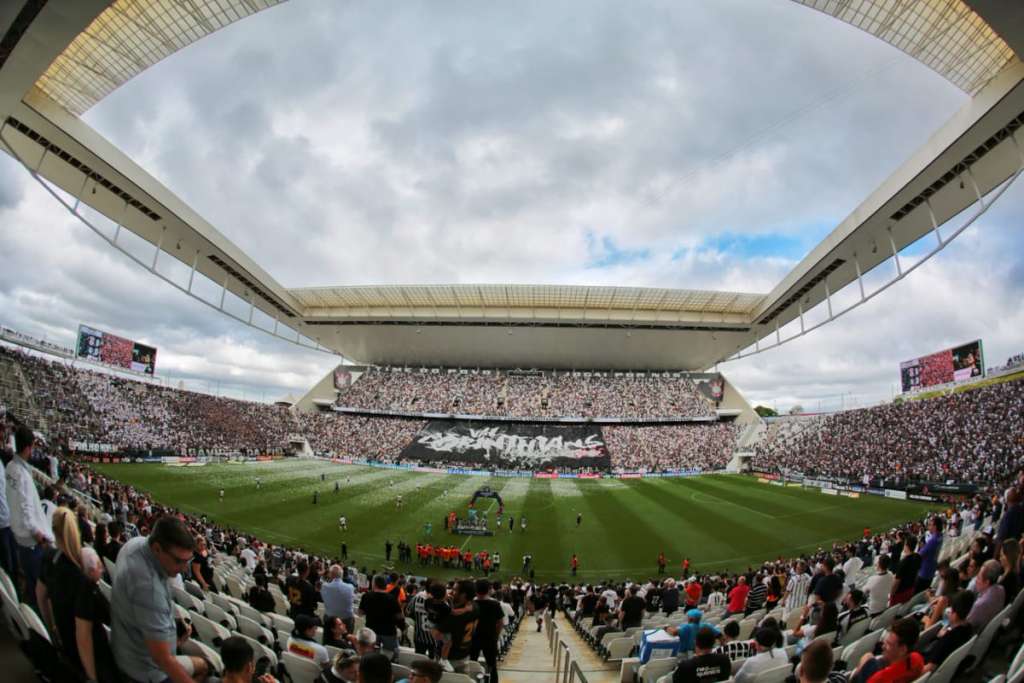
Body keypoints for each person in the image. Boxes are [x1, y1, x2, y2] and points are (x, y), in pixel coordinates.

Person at [110, 516, 204, 683]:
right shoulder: (149, 589)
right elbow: (164, 661)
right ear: (157, 548)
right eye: (178, 561)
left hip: (129, 645)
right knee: (203, 665)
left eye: (187, 561)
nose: (183, 568)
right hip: (147, 672)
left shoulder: (135, 544)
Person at [37, 507, 89, 671]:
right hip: (77, 648)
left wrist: (52, 629)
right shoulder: (80, 576)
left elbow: (40, 595)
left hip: (62, 635)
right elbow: (84, 636)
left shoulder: (48, 557)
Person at [7, 425, 54, 604]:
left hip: (19, 535)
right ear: (28, 447)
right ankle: (38, 623)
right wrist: (39, 537)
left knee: (31, 581)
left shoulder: (10, 467)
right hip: (31, 541)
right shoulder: (21, 474)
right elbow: (26, 509)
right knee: (38, 587)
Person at [76, 546, 118, 683]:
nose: (103, 569)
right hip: (99, 655)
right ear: (91, 570)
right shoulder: (90, 594)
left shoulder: (81, 586)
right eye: (99, 566)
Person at [848, 617, 923, 683]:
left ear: (903, 649)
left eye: (888, 644)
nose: (883, 646)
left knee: (868, 658)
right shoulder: (917, 659)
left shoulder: (880, 678)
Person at [920, 590, 975, 675]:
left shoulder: (948, 639)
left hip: (923, 666)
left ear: (955, 614)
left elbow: (930, 668)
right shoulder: (968, 628)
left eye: (950, 610)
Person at [435, 579, 479, 671]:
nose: (451, 592)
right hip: (464, 655)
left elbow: (437, 635)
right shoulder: (475, 607)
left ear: (463, 595)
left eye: (455, 590)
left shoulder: (452, 616)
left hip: (449, 659)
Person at [359, 575, 404, 653]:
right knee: (391, 655)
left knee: (370, 654)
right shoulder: (392, 598)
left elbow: (360, 613)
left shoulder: (366, 596)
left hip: (371, 630)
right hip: (388, 632)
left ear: (374, 584)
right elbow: (399, 616)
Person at [471, 579, 505, 683]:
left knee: (472, 663)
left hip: (474, 637)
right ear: (489, 590)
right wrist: (496, 635)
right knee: (492, 665)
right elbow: (500, 622)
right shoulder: (495, 604)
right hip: (490, 637)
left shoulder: (472, 603)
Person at [966, 559, 1005, 630]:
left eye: (978, 578)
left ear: (987, 582)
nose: (976, 581)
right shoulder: (1001, 589)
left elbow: (966, 625)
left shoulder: (980, 605)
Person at [323, 564, 357, 632]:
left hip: (331, 619)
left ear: (331, 575)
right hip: (346, 620)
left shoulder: (325, 587)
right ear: (341, 575)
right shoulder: (350, 587)